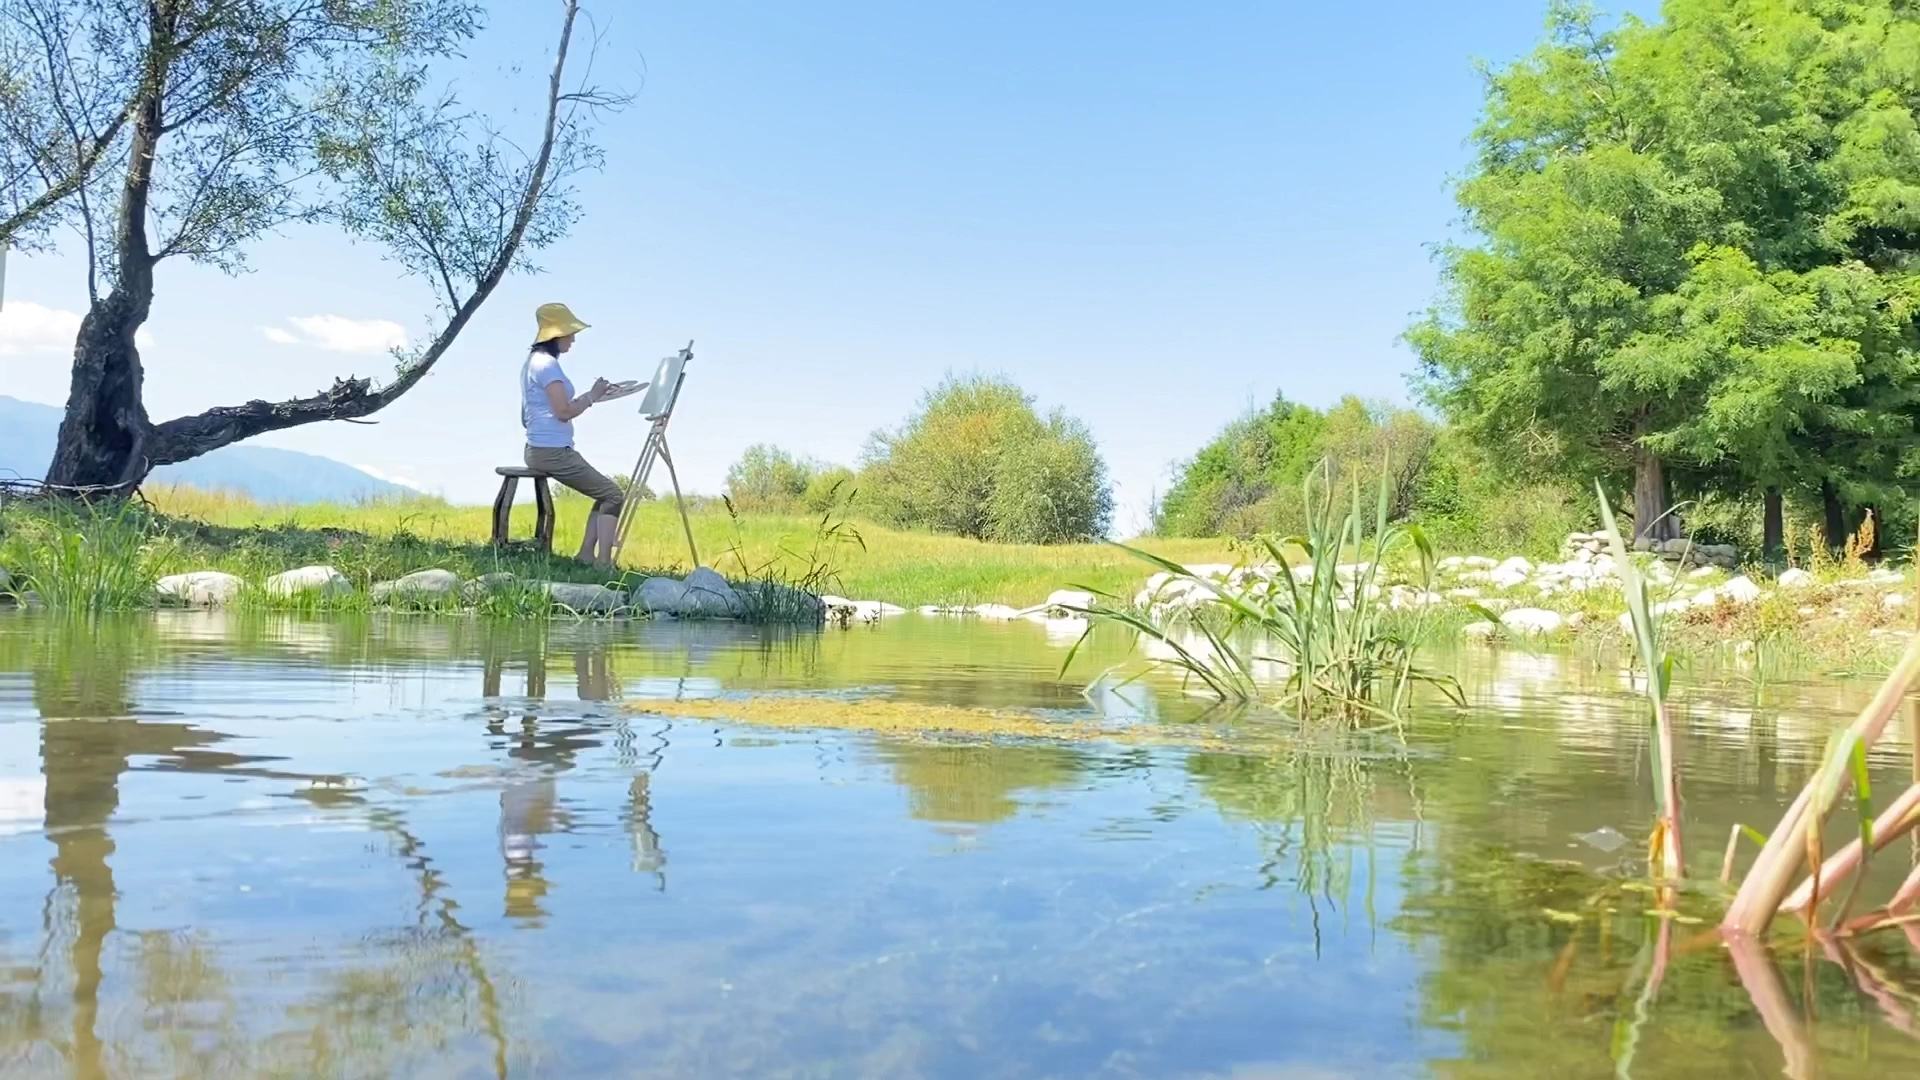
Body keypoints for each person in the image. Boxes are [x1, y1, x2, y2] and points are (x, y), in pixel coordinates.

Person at [520, 302, 632, 568]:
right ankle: (603, 563)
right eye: (570, 334)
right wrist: (591, 397)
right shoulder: (547, 366)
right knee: (613, 495)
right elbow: (563, 411)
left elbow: (535, 412)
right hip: (552, 452)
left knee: (604, 493)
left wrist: (594, 396)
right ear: (556, 335)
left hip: (540, 449)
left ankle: (586, 555)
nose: (573, 339)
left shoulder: (533, 363)